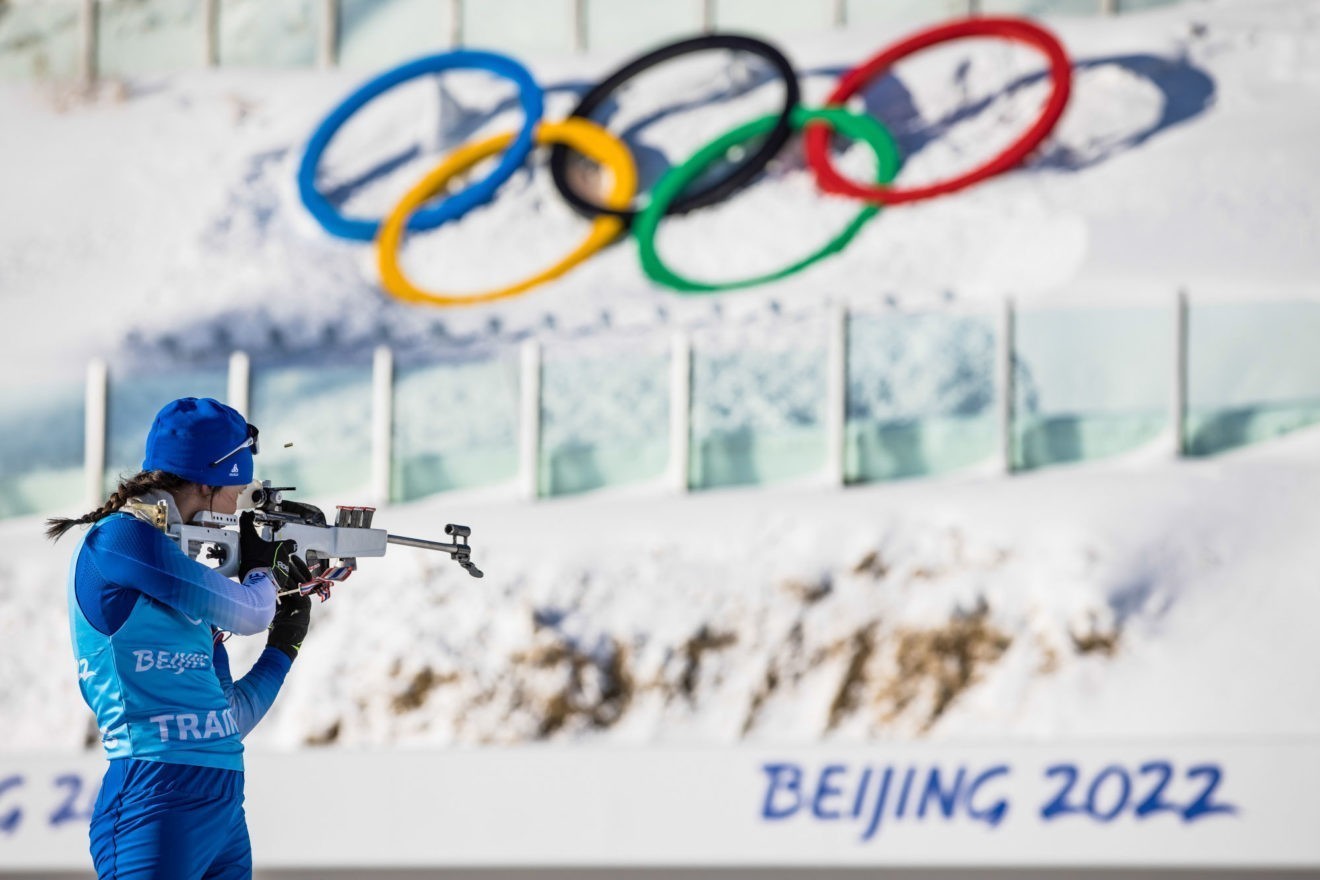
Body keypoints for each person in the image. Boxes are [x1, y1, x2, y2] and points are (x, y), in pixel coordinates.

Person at [46, 397, 314, 880]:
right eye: (236, 493)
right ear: (206, 483)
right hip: (152, 796)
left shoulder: (181, 584)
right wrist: (264, 573)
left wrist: (283, 646)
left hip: (222, 802)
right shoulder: (119, 539)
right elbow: (251, 611)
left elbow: (224, 722)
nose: (237, 508)